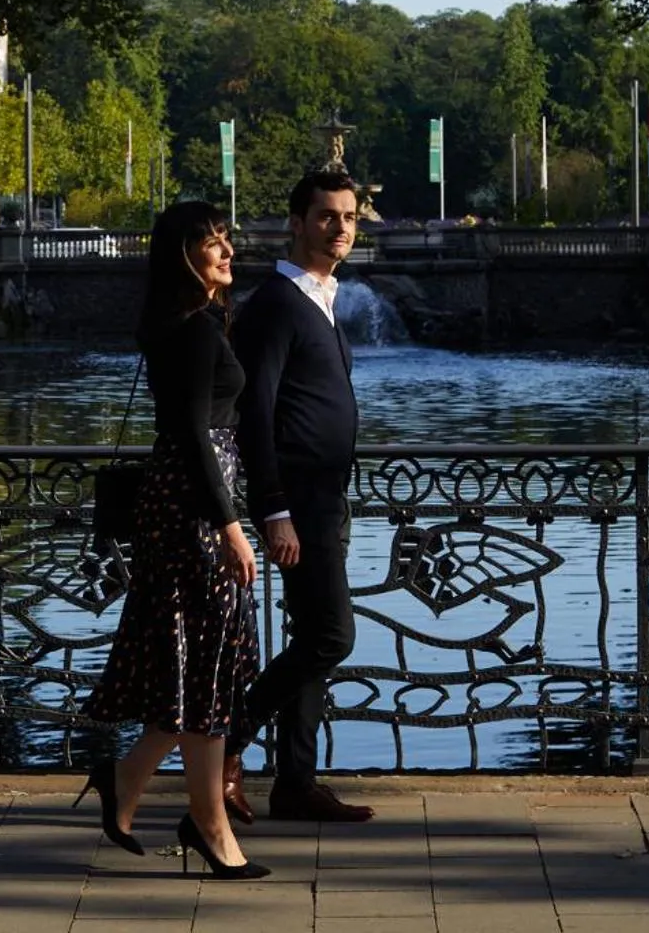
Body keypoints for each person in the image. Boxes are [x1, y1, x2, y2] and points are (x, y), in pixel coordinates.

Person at [80, 200, 268, 880]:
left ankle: (128, 781)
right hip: (192, 510)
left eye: (226, 242)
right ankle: (208, 825)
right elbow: (194, 438)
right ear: (184, 258)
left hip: (183, 502)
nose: (227, 253)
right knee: (207, 659)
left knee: (193, 657)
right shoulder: (192, 332)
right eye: (213, 245)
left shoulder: (188, 324)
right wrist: (230, 528)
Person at [224, 168, 376, 825]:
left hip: (325, 496)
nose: (340, 227)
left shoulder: (319, 299)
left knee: (316, 634)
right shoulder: (277, 306)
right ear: (296, 222)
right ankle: (224, 740)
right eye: (326, 216)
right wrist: (274, 510)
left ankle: (296, 783)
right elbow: (254, 413)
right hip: (301, 503)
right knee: (333, 636)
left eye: (348, 216)